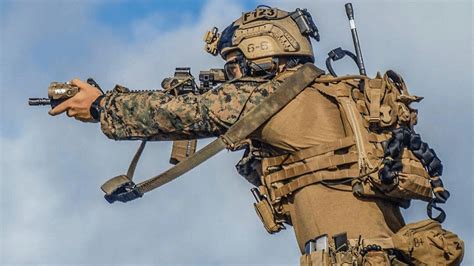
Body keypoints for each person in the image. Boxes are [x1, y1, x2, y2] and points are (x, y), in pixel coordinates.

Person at [48, 6, 463, 265]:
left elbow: (174, 113)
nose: (231, 75)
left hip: (345, 259)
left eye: (234, 63)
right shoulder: (345, 95)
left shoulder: (273, 95)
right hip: (399, 254)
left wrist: (102, 104)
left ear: (262, 50)